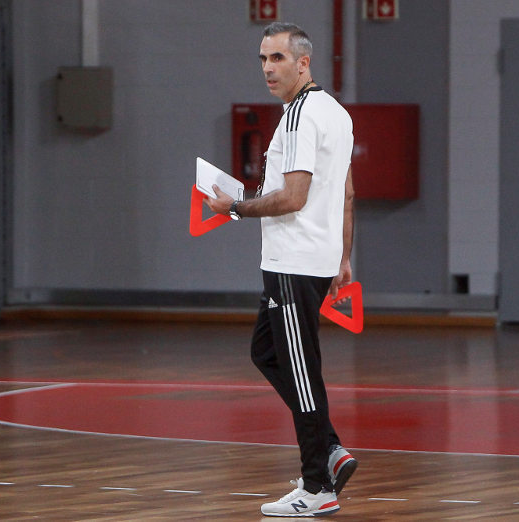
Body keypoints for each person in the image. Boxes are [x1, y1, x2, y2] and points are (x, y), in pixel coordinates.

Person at [205, 21, 358, 518]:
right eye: (263, 59)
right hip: (313, 259)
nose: (268, 68)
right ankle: (331, 450)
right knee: (266, 351)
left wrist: (233, 207)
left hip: (293, 261)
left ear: (303, 62)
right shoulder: (336, 113)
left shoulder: (299, 116)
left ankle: (318, 486)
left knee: (301, 369)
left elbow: (293, 197)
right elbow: (347, 194)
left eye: (277, 58)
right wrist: (343, 257)